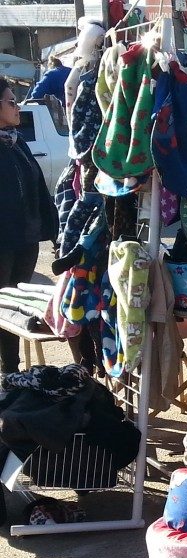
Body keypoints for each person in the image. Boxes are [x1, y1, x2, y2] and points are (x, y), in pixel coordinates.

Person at [0, 77, 58, 374]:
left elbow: (37, 186)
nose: (17, 107)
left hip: (26, 239)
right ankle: (7, 371)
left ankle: (11, 369)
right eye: (11, 102)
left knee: (13, 304)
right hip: (3, 242)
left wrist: (52, 229)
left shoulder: (16, 140)